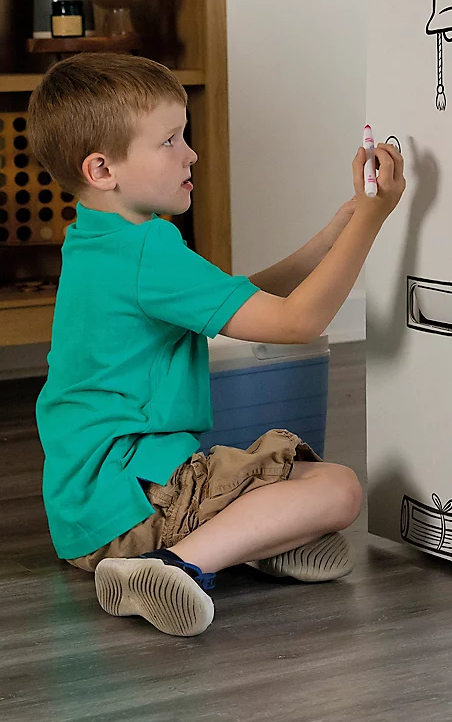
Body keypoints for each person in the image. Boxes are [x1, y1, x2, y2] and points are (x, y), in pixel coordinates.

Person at [27, 53, 404, 637]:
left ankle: (245, 545)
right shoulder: (149, 250)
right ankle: (173, 566)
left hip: (89, 509)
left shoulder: (100, 240)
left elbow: (237, 298)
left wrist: (337, 231)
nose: (191, 153)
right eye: (170, 141)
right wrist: (373, 222)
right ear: (104, 169)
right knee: (340, 488)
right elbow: (298, 323)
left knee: (303, 485)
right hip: (137, 500)